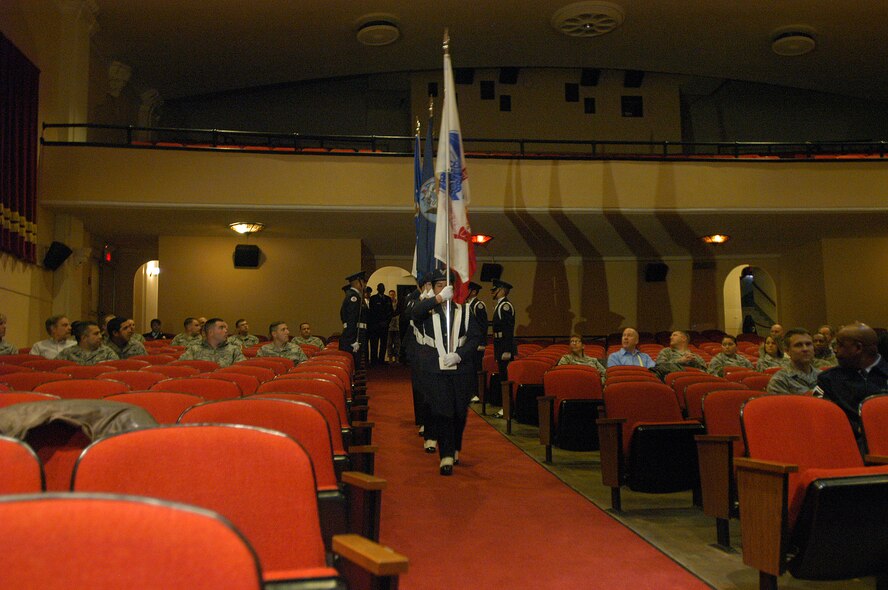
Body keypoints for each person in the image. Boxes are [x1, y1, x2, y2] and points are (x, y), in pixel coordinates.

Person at [410, 269, 483, 475]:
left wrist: (460, 355)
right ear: (433, 289)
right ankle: (446, 456)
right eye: (439, 285)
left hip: (461, 369)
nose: (443, 288)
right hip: (435, 369)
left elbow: (476, 337)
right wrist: (439, 298)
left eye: (446, 285)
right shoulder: (427, 310)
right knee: (443, 411)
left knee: (459, 411)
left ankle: (455, 447)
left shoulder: (466, 310)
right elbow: (414, 313)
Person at [815, 323, 888, 451]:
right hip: (846, 447)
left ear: (858, 348)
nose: (836, 350)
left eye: (840, 345)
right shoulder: (828, 379)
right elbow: (823, 419)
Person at [766, 328, 819, 394]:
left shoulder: (824, 376)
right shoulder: (779, 381)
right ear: (787, 351)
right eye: (798, 345)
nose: (805, 349)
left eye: (808, 344)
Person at [491, 278, 515, 418]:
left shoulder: (505, 306)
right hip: (500, 344)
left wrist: (507, 349)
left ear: (502, 291)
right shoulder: (500, 305)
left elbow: (508, 329)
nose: (492, 293)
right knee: (502, 378)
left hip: (504, 346)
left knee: (505, 379)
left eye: (495, 290)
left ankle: (507, 408)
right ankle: (505, 407)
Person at [180, 318, 245, 367]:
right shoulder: (194, 349)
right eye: (221, 328)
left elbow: (241, 371)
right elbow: (182, 369)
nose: (226, 331)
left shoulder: (234, 350)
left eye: (226, 328)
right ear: (210, 332)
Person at [465, 281, 489, 402]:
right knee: (470, 368)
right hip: (469, 343)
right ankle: (471, 392)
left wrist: (481, 343)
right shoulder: (468, 304)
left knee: (476, 368)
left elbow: (483, 326)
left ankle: (477, 393)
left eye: (467, 289)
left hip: (477, 344)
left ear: (473, 291)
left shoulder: (478, 305)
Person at [339, 271, 368, 368]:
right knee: (354, 365)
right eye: (363, 282)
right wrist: (353, 340)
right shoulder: (353, 296)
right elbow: (352, 319)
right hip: (354, 335)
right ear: (357, 282)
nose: (364, 284)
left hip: (356, 334)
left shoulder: (355, 295)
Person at [368, 282, 392, 365]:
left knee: (383, 344)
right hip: (375, 326)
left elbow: (390, 312)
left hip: (385, 326)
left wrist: (387, 322)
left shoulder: (388, 299)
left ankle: (381, 360)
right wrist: (378, 323)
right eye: (380, 287)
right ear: (377, 289)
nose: (382, 289)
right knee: (374, 344)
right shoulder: (373, 298)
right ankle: (374, 360)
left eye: (383, 287)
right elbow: (372, 312)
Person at [386, 289, 400, 363]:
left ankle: (397, 358)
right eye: (390, 294)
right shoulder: (387, 303)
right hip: (389, 327)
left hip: (397, 326)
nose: (392, 296)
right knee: (389, 343)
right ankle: (390, 358)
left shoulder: (398, 303)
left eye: (393, 294)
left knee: (397, 343)